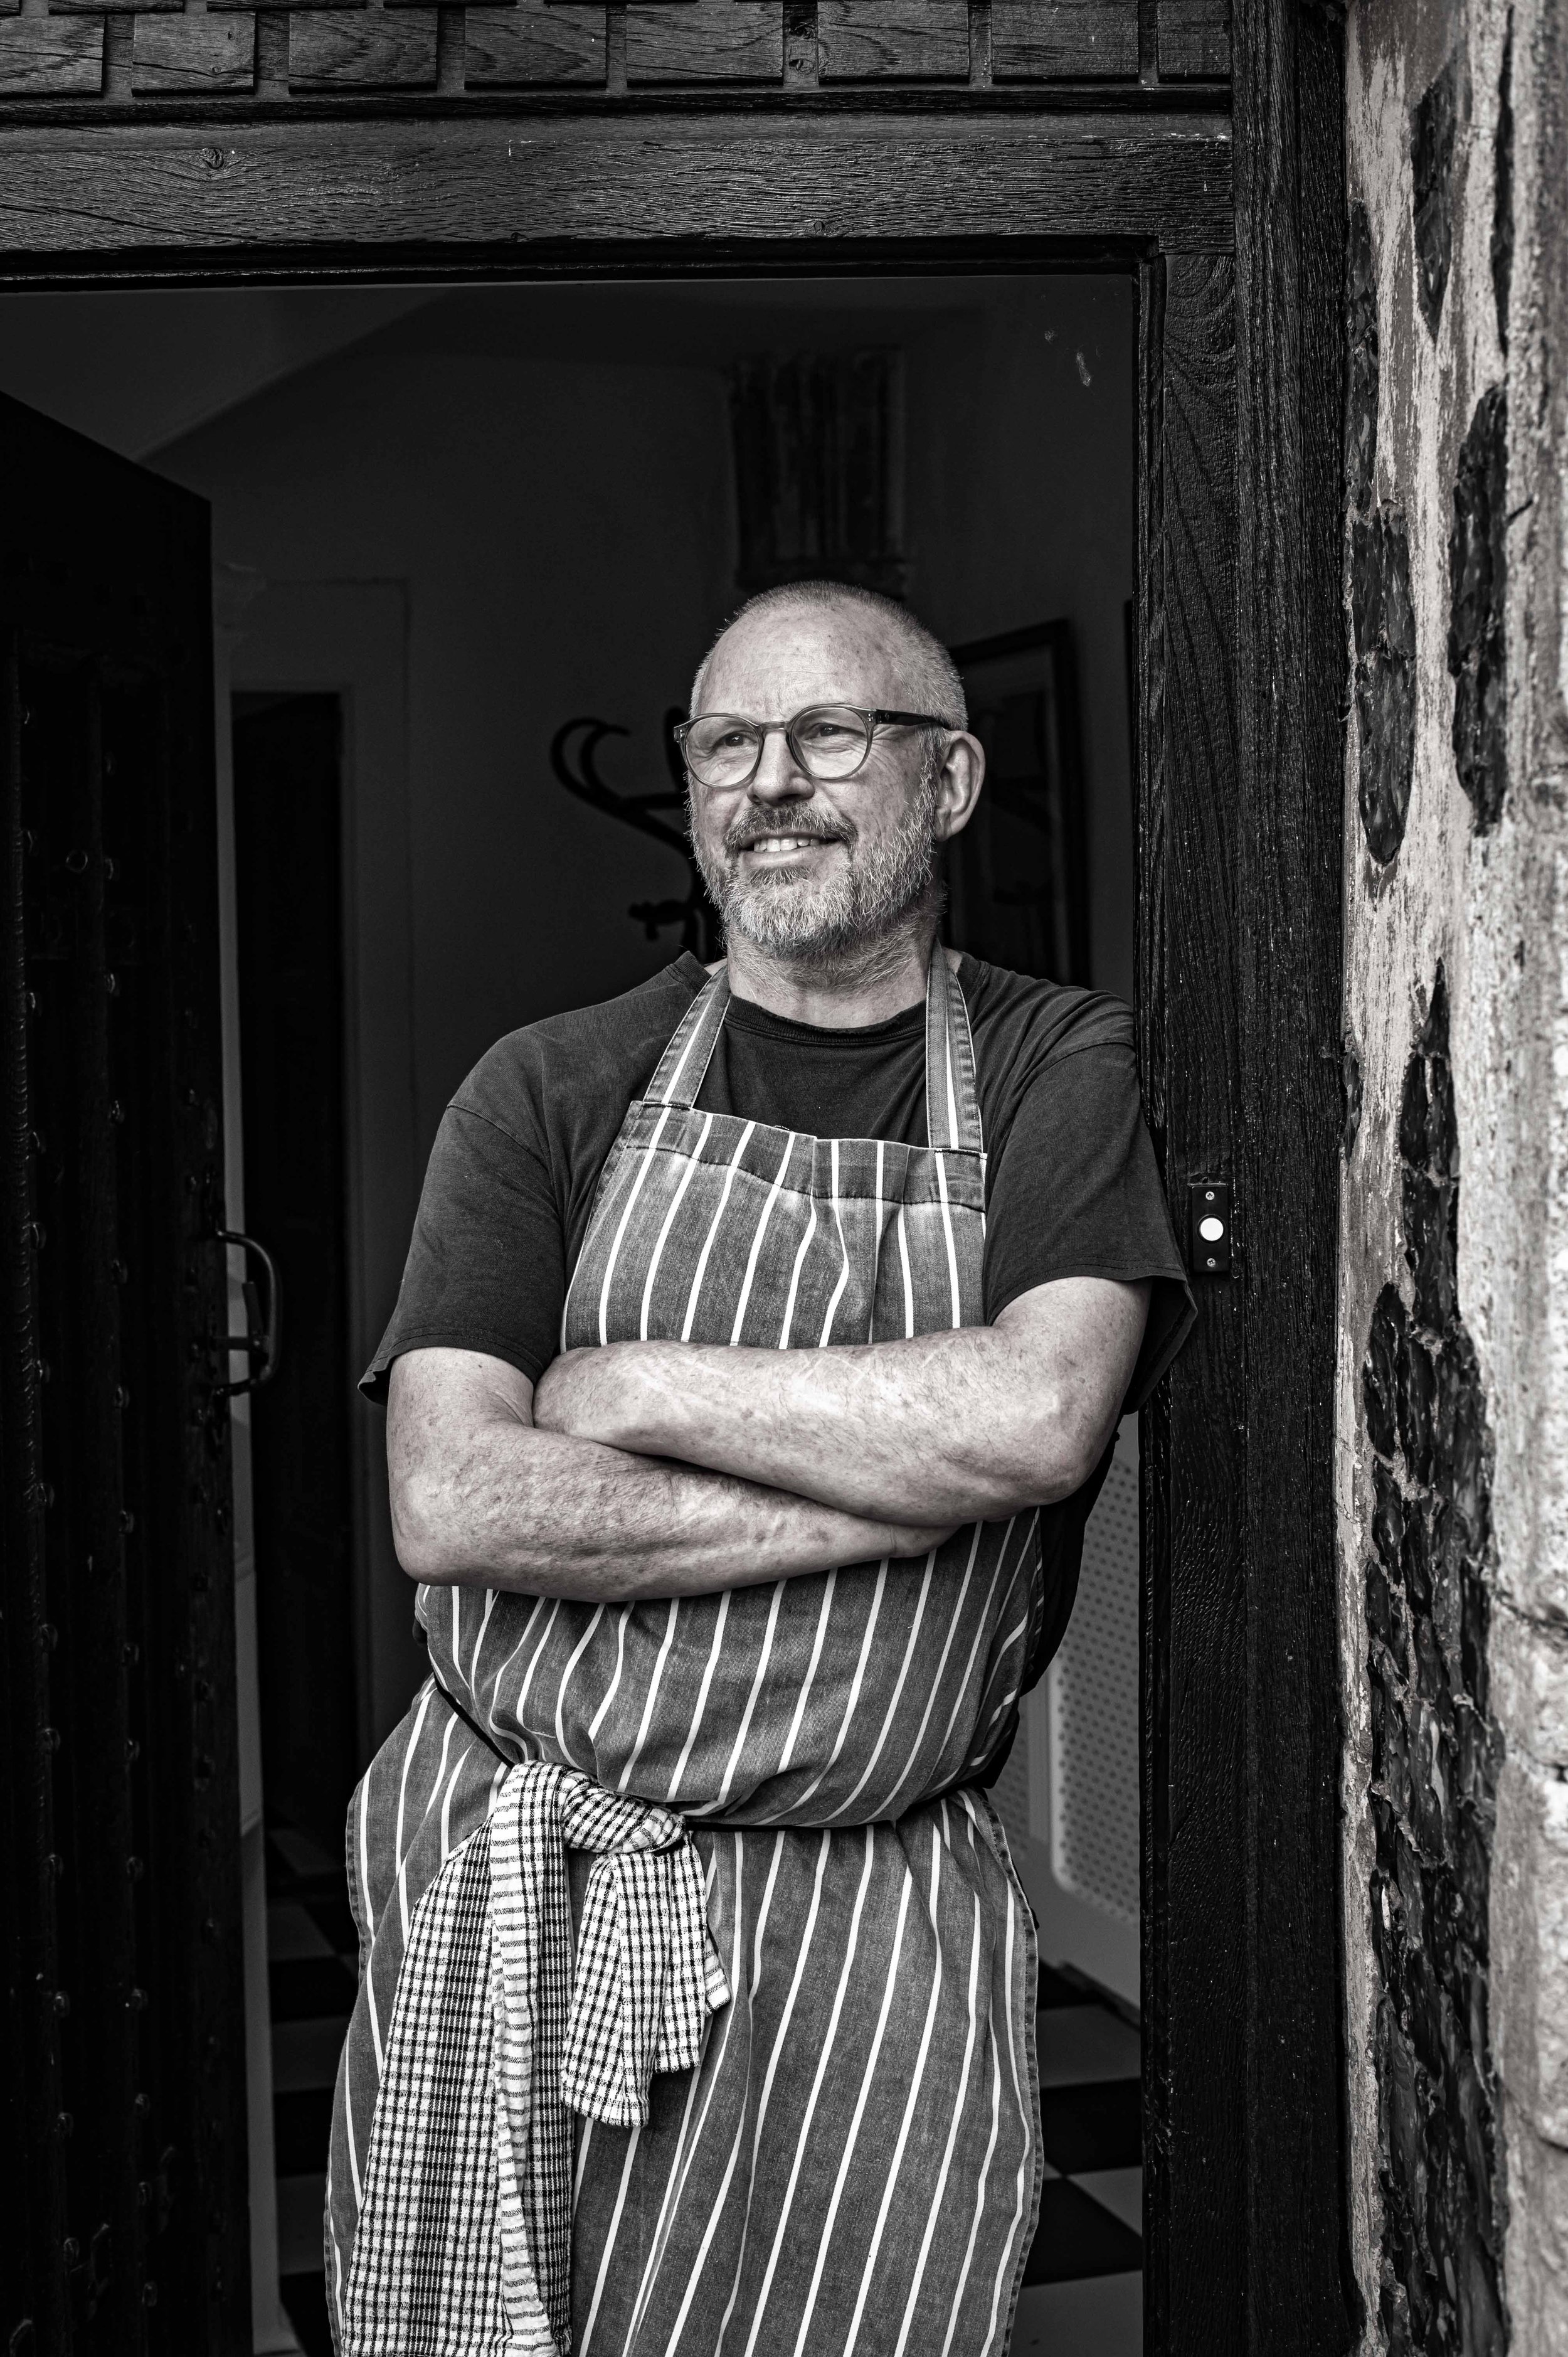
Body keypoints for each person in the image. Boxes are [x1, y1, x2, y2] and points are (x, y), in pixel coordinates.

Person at [327, 579, 1193, 2357]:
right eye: (725, 742)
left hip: (870, 1912)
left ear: (949, 782)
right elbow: (455, 1502)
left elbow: (1036, 1417)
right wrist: (900, 1493)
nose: (768, 782)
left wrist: (629, 1382)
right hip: (528, 1885)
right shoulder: (546, 1088)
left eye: (829, 735)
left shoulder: (1055, 1062)